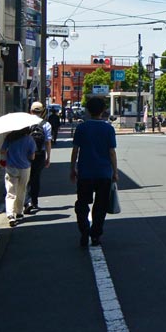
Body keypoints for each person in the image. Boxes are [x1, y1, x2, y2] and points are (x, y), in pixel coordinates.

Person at [70, 96, 118, 246]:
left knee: (82, 203)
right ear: (103, 111)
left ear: (88, 111)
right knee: (101, 205)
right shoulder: (108, 128)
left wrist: (73, 168)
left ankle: (84, 229)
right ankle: (96, 235)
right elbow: (112, 152)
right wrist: (115, 172)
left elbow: (75, 150)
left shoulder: (81, 128)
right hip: (104, 173)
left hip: (85, 172)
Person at [0, 127, 36, 227]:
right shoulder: (29, 139)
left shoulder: (9, 137)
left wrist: (10, 153)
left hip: (11, 167)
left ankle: (10, 215)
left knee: (11, 192)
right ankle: (19, 213)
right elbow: (32, 156)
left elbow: (2, 151)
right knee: (22, 190)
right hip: (25, 167)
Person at [25, 101, 52, 214]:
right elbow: (48, 142)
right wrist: (48, 157)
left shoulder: (25, 123)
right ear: (42, 112)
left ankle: (25, 201)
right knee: (35, 178)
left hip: (25, 154)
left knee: (24, 178)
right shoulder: (46, 124)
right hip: (39, 154)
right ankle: (34, 201)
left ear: (30, 111)